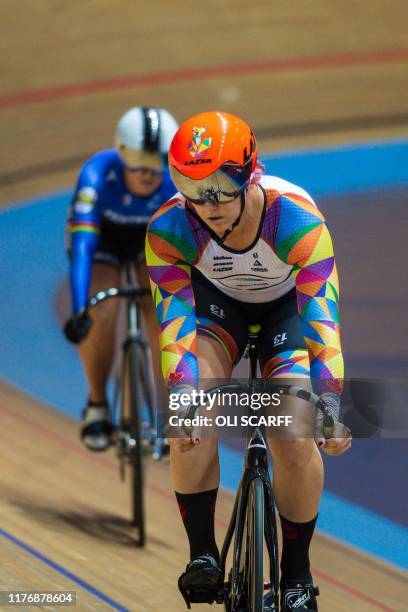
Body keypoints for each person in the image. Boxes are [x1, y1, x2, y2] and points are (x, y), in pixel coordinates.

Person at [146, 111, 351, 610]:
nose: (207, 203)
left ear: (250, 173)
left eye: (220, 185)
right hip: (219, 312)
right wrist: (184, 394)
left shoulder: (296, 221)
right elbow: (175, 328)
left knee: (294, 432)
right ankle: (202, 556)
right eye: (192, 187)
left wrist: (329, 402)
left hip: (288, 314)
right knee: (189, 415)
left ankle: (297, 575)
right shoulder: (169, 229)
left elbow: (322, 325)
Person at [64, 106, 178, 451]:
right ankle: (97, 406)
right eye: (138, 162)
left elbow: (184, 251)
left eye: (156, 162)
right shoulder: (97, 172)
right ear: (121, 155)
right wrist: (80, 307)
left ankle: (172, 414)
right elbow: (83, 246)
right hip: (104, 241)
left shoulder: (176, 182)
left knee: (164, 315)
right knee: (103, 310)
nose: (147, 173)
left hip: (150, 241)